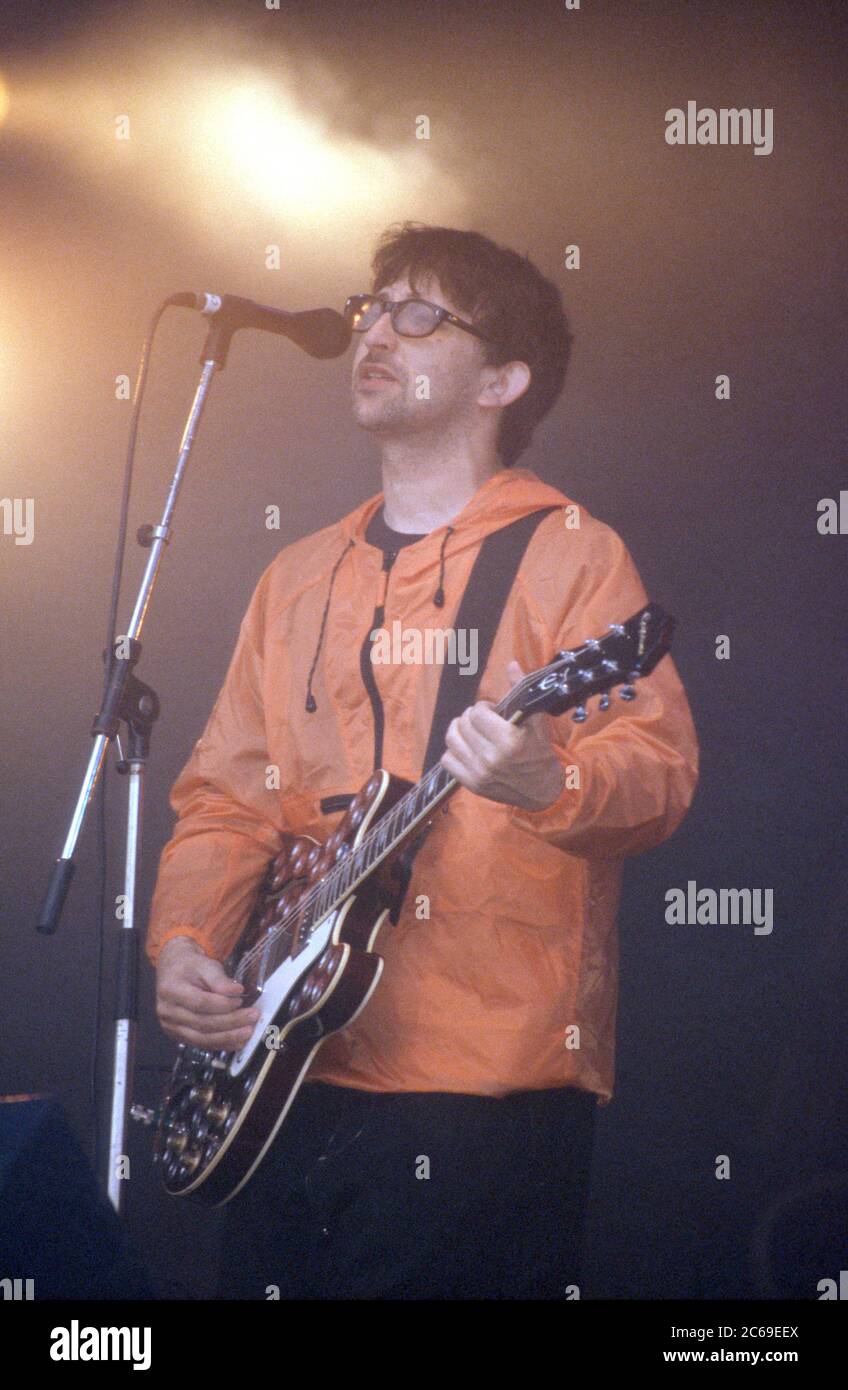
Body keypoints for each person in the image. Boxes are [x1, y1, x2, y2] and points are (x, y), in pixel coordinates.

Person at [146, 221, 699, 1299]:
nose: (375, 333)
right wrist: (183, 950)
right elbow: (224, 797)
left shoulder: (571, 549)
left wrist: (554, 780)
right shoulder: (297, 574)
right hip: (278, 1070)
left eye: (419, 314)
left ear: (503, 376)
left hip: (476, 1084)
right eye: (371, 307)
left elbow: (659, 770)